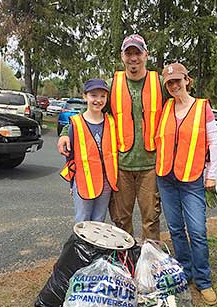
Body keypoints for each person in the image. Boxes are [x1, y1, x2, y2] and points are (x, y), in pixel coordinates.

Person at [58, 35, 164, 238]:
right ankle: (125, 262)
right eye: (128, 53)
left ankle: (150, 262)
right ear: (122, 56)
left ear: (146, 55)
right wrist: (65, 133)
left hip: (150, 166)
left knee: (151, 218)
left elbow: (179, 104)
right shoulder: (111, 85)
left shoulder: (158, 83)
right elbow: (91, 111)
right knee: (121, 219)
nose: (133, 58)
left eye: (137, 53)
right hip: (120, 166)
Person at [155, 63, 217, 305]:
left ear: (187, 81)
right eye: (169, 83)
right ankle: (185, 270)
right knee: (175, 229)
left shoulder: (203, 107)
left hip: (192, 179)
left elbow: (212, 143)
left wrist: (210, 174)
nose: (174, 86)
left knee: (198, 231)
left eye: (177, 81)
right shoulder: (166, 108)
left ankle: (204, 281)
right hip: (166, 178)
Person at [60, 78, 118, 223]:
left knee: (99, 221)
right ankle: (81, 246)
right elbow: (70, 157)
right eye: (93, 95)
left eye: (102, 96)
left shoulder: (111, 121)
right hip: (83, 181)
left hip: (106, 182)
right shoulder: (76, 123)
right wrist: (72, 184)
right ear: (85, 96)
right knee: (83, 222)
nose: (98, 100)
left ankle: (96, 247)